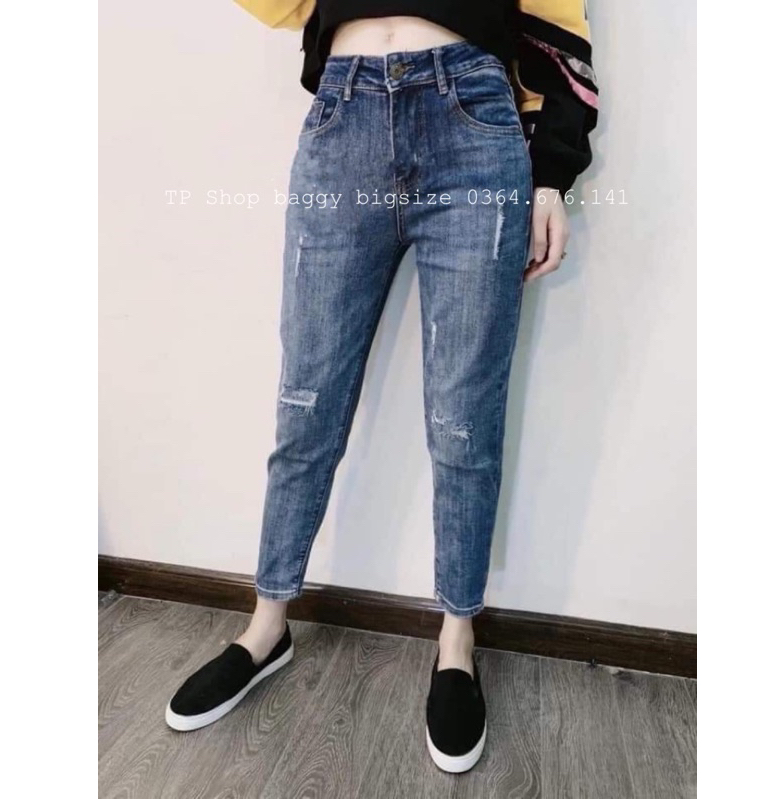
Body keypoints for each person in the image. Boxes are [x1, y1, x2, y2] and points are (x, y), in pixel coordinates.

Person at [165, 0, 598, 774]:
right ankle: (266, 624)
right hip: (345, 119)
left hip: (473, 123)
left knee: (463, 416)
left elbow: (558, 19)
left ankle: (456, 641)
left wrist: (551, 176)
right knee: (307, 402)